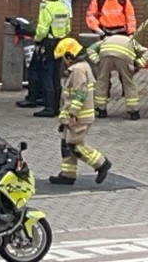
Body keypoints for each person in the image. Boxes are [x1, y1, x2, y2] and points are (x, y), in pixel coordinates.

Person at [48, 37, 112, 186]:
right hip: (73, 117)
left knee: (74, 145)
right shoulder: (82, 67)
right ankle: (67, 174)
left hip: (79, 117)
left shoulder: (78, 70)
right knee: (66, 144)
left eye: (64, 58)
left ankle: (101, 163)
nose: (64, 61)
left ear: (70, 55)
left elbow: (80, 93)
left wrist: (73, 114)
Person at [88, 34, 148, 120]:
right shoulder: (132, 42)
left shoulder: (105, 40)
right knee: (129, 83)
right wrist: (138, 63)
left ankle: (101, 110)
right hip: (124, 57)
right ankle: (133, 111)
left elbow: (90, 49)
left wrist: (96, 60)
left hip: (105, 55)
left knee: (102, 82)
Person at [31, 0, 72, 118]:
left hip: (48, 43)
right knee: (56, 74)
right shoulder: (63, 7)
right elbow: (68, 27)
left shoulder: (47, 8)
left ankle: (49, 107)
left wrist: (36, 39)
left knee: (47, 75)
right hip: (60, 43)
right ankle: (57, 106)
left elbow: (42, 29)